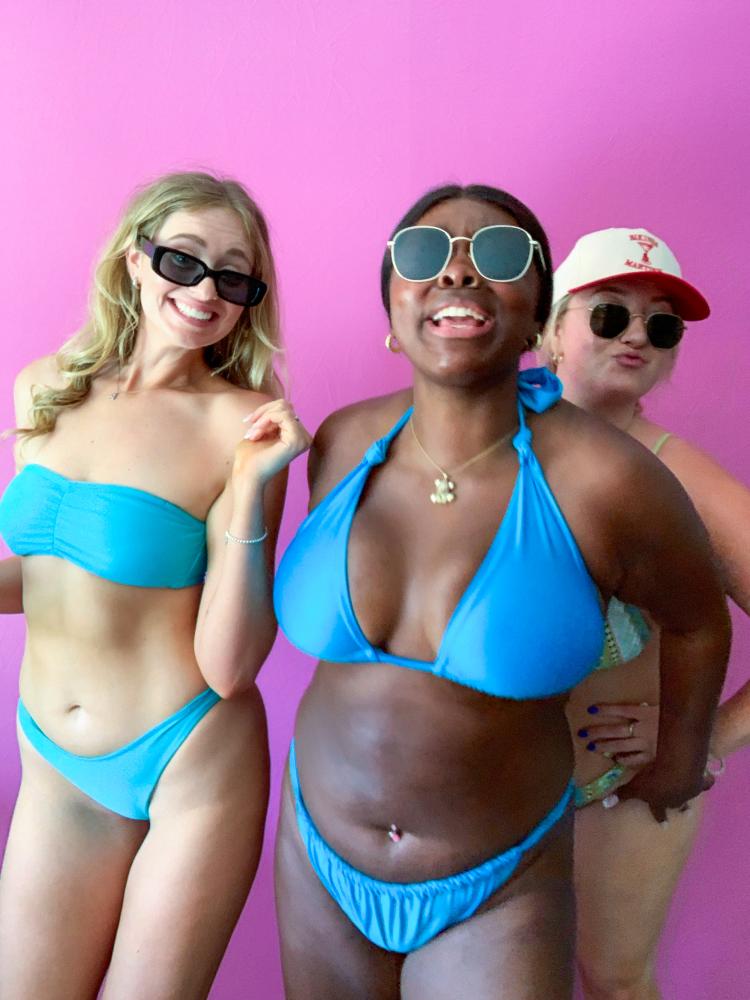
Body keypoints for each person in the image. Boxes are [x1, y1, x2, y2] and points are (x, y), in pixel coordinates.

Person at [271, 185, 731, 1000]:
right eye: (424, 253)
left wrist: (682, 757)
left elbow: (699, 622)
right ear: (392, 309)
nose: (457, 272)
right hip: (318, 854)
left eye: (499, 254)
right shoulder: (340, 442)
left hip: (502, 882)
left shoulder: (609, 479)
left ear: (535, 320)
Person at [0, 170, 310, 1000]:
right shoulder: (45, 389)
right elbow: (48, 574)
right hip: (53, 759)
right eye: (184, 260)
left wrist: (248, 487)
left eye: (234, 278)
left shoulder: (242, 426)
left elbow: (230, 667)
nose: (205, 291)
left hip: (187, 760)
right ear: (134, 260)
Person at [540, 226, 750, 1000]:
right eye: (608, 313)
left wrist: (705, 737)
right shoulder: (493, 441)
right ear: (551, 329)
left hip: (617, 787)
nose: (636, 335)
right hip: (490, 778)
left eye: (662, 327)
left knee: (615, 981)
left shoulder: (678, 476)